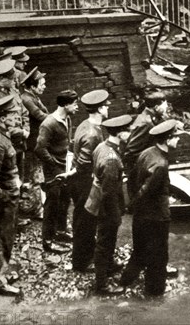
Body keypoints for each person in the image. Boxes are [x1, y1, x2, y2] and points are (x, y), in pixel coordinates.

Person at [120, 120, 179, 297]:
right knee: (159, 256)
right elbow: (147, 190)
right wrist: (132, 206)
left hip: (141, 215)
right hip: (156, 217)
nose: (178, 140)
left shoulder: (147, 153)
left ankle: (125, 280)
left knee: (139, 250)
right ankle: (154, 294)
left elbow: (131, 180)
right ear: (168, 140)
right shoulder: (161, 164)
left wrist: (132, 206)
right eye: (176, 136)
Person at [86, 114, 133, 295]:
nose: (129, 133)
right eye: (127, 131)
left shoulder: (101, 146)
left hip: (99, 199)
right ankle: (102, 284)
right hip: (107, 206)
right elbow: (109, 192)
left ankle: (108, 265)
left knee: (106, 240)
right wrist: (114, 214)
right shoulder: (112, 158)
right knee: (105, 242)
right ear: (120, 134)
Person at [69, 90, 109, 272]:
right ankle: (81, 262)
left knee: (83, 220)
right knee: (85, 221)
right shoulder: (92, 134)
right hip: (86, 183)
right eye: (106, 105)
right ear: (100, 109)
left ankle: (85, 255)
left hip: (80, 181)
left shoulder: (85, 125)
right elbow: (84, 164)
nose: (108, 107)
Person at [35, 90, 79, 253]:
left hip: (65, 166)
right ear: (66, 104)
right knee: (52, 204)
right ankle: (47, 241)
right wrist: (53, 163)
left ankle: (60, 231)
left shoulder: (67, 118)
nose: (77, 107)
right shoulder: (48, 124)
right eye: (74, 104)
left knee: (64, 199)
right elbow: (39, 148)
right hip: (53, 170)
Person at [0, 95, 21, 296]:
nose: (18, 118)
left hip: (8, 196)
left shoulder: (2, 135)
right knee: (1, 239)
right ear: (2, 118)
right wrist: (4, 197)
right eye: (13, 115)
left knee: (5, 238)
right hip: (2, 201)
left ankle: (1, 274)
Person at [123, 91, 168, 201]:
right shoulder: (145, 123)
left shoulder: (150, 117)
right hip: (139, 167)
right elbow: (131, 150)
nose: (167, 107)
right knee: (140, 198)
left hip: (144, 165)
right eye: (165, 104)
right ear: (156, 107)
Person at [0, 58, 30, 181]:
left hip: (20, 141)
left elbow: (23, 110)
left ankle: (20, 192)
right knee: (6, 174)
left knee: (19, 168)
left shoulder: (12, 90)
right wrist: (20, 132)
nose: (15, 81)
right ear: (1, 79)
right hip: (6, 141)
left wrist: (26, 128)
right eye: (11, 79)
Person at [19, 67, 48, 219]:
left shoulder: (33, 97)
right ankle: (34, 210)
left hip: (38, 141)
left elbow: (45, 112)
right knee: (34, 177)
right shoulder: (27, 99)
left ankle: (35, 207)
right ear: (32, 86)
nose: (44, 86)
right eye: (42, 84)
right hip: (32, 144)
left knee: (37, 175)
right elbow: (40, 115)